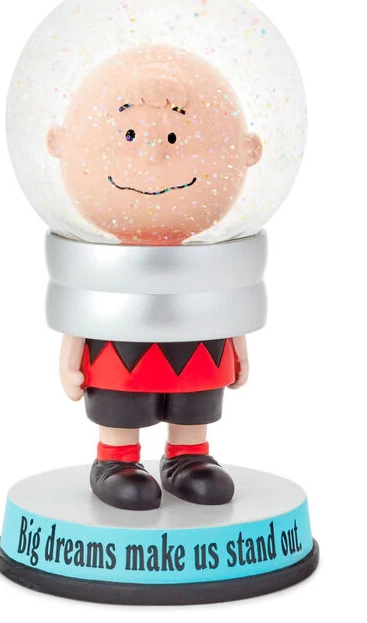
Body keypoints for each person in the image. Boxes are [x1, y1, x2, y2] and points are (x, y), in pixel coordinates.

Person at [47, 45, 262, 510]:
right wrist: (70, 356)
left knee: (194, 400)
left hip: (199, 342)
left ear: (247, 151)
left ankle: (188, 456)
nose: (151, 157)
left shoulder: (209, 262)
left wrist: (238, 346)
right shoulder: (101, 266)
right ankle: (115, 459)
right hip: (117, 345)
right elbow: (84, 303)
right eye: (129, 135)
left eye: (171, 139)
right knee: (120, 401)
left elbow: (225, 298)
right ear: (62, 145)